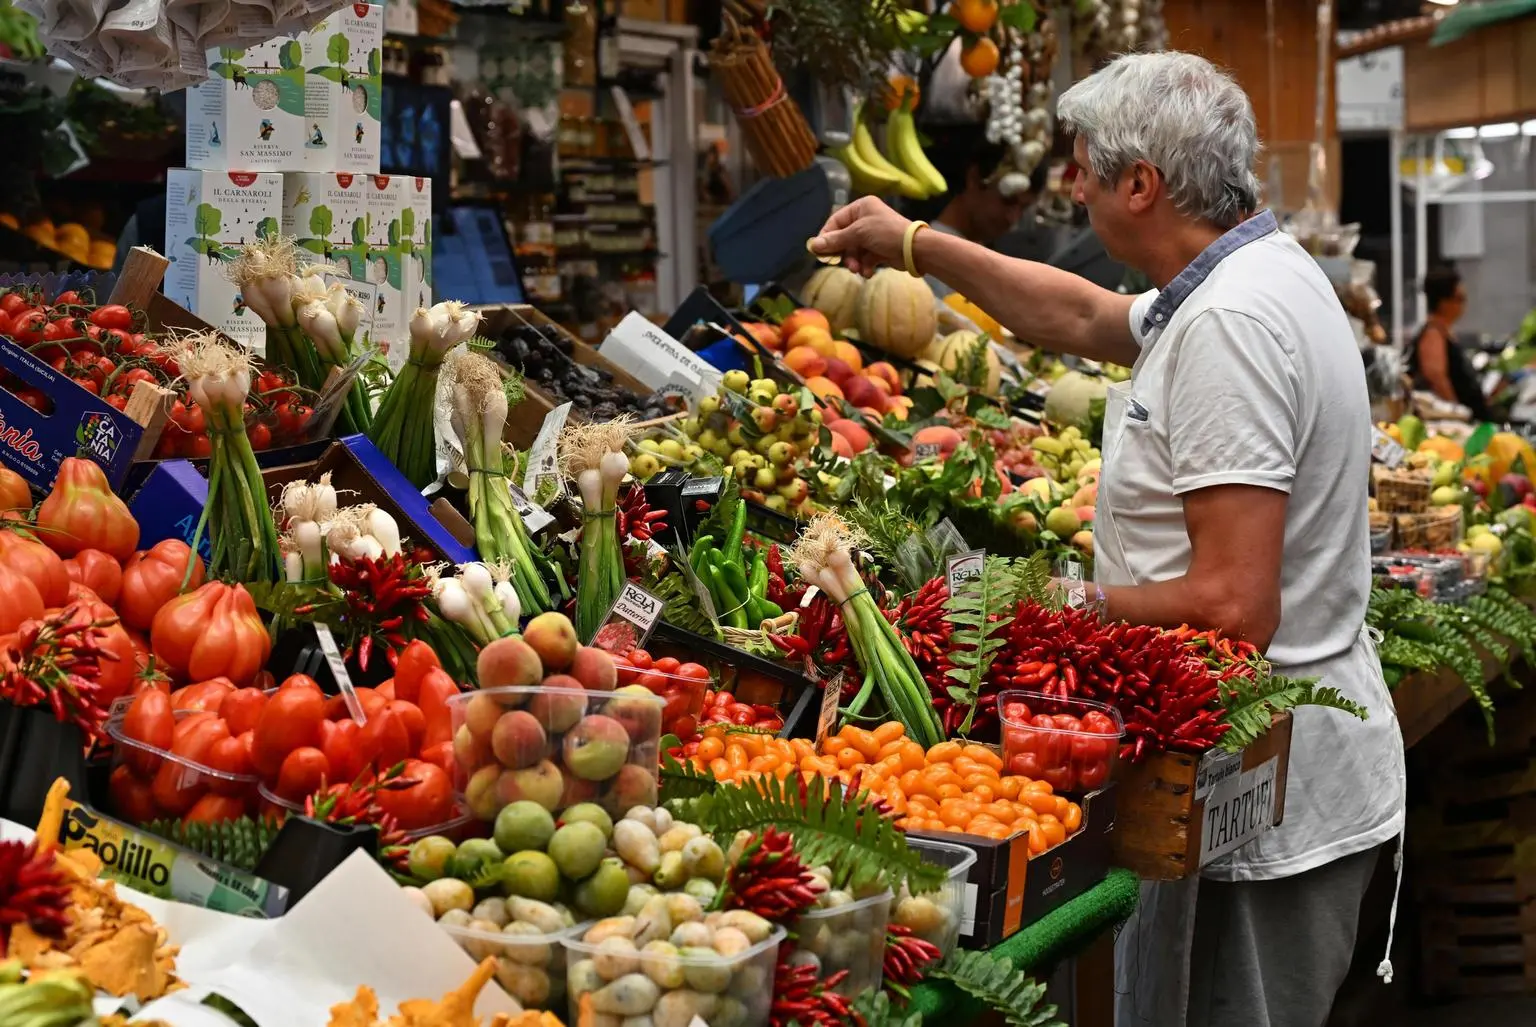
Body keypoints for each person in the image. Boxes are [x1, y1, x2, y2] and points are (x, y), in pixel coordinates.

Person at [812, 51, 1405, 1027]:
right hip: (1275, 755)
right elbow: (1080, 311)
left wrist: (1049, 598)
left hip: (1273, 774)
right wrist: (915, 243)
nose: (1068, 182)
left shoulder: (1232, 326)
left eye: (1084, 164)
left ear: (1143, 184)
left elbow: (1231, 605)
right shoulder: (1249, 270)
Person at [906, 126, 1044, 295]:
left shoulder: (982, 256)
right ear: (974, 178)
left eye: (1023, 209)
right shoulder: (928, 261)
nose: (1013, 218)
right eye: (1007, 201)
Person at [1408, 265, 1492, 420]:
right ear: (1444, 302)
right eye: (1460, 299)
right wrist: (1456, 413)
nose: (1463, 306)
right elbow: (1436, 377)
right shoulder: (1432, 334)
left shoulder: (1444, 332)